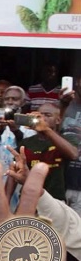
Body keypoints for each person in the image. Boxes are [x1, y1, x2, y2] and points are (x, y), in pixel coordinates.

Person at [18, 103, 78, 201]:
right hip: (29, 198)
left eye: (47, 115)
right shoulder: (26, 142)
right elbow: (13, 175)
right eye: (39, 115)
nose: (43, 118)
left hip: (55, 200)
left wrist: (46, 129)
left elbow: (73, 155)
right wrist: (6, 200)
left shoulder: (66, 139)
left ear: (58, 120)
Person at [60, 76, 81, 215]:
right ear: (78, 82)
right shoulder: (64, 105)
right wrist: (62, 105)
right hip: (62, 180)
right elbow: (50, 131)